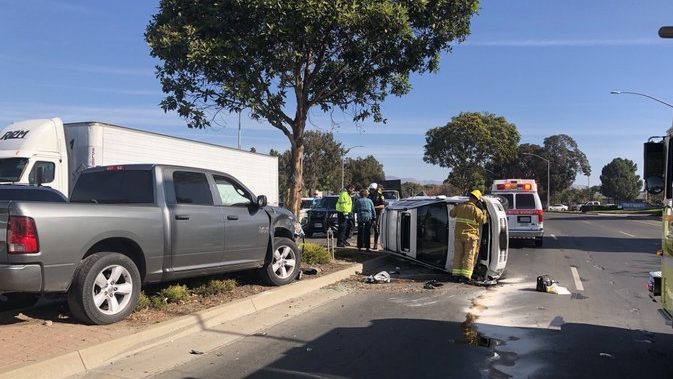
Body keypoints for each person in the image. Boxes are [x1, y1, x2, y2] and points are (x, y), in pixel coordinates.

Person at [449, 189, 488, 284]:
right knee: (469, 256)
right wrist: (484, 212)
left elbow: (451, 214)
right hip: (470, 237)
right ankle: (466, 276)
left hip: (459, 236)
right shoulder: (476, 210)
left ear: (470, 197)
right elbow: (483, 221)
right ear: (477, 200)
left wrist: (456, 207)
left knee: (458, 255)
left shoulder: (460, 207)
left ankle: (456, 275)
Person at [368, 183, 386, 250]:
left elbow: (383, 206)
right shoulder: (369, 195)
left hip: (377, 214)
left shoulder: (380, 196)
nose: (371, 191)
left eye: (372, 189)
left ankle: (375, 244)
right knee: (368, 229)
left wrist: (373, 207)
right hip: (369, 214)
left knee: (376, 229)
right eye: (370, 189)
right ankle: (367, 244)